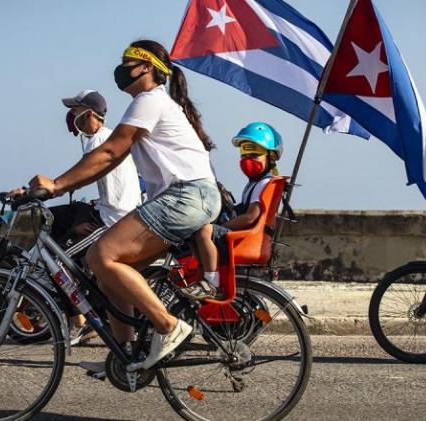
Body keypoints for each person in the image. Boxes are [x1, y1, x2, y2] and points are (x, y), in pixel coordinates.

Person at [25, 40, 220, 370]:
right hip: (186, 198)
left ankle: (169, 327)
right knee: (109, 276)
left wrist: (56, 185)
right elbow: (111, 160)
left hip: (186, 197)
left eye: (127, 61)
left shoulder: (149, 100)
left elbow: (111, 153)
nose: (121, 67)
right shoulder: (154, 103)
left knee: (100, 255)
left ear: (146, 67)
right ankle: (125, 357)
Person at [182, 122, 284, 300]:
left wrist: (223, 225)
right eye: (244, 152)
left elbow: (251, 216)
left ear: (271, 156)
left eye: (254, 152)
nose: (247, 158)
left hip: (249, 239)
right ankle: (203, 272)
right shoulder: (255, 184)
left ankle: (211, 283)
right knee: (198, 232)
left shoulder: (263, 184)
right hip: (250, 237)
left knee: (205, 230)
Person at [49, 90, 142, 246]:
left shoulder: (99, 139)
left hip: (113, 218)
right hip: (115, 212)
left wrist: (49, 188)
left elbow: (79, 176)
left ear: (88, 113)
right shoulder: (106, 136)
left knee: (61, 241)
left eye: (74, 110)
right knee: (64, 213)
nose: (70, 115)